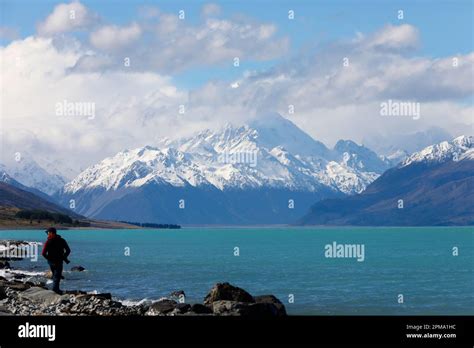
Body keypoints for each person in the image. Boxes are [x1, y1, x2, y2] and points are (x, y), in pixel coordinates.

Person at [42, 227, 71, 294]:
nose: (47, 234)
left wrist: (49, 259)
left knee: (56, 276)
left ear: (52, 233)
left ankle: (55, 289)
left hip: (51, 262)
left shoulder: (48, 241)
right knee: (56, 277)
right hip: (58, 261)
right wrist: (64, 257)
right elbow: (68, 251)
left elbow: (43, 253)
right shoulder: (62, 240)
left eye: (48, 233)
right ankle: (55, 290)